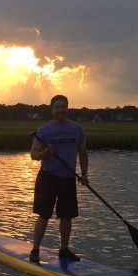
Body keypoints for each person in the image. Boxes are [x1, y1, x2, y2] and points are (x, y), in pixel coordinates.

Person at [29, 94, 88, 263]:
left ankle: (64, 249)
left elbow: (83, 152)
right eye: (57, 107)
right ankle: (35, 250)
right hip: (48, 177)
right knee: (44, 215)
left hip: (68, 178)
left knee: (67, 215)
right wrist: (44, 153)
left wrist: (84, 174)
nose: (60, 110)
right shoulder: (44, 130)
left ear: (67, 108)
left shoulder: (77, 129)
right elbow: (33, 155)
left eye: (63, 107)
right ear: (52, 110)